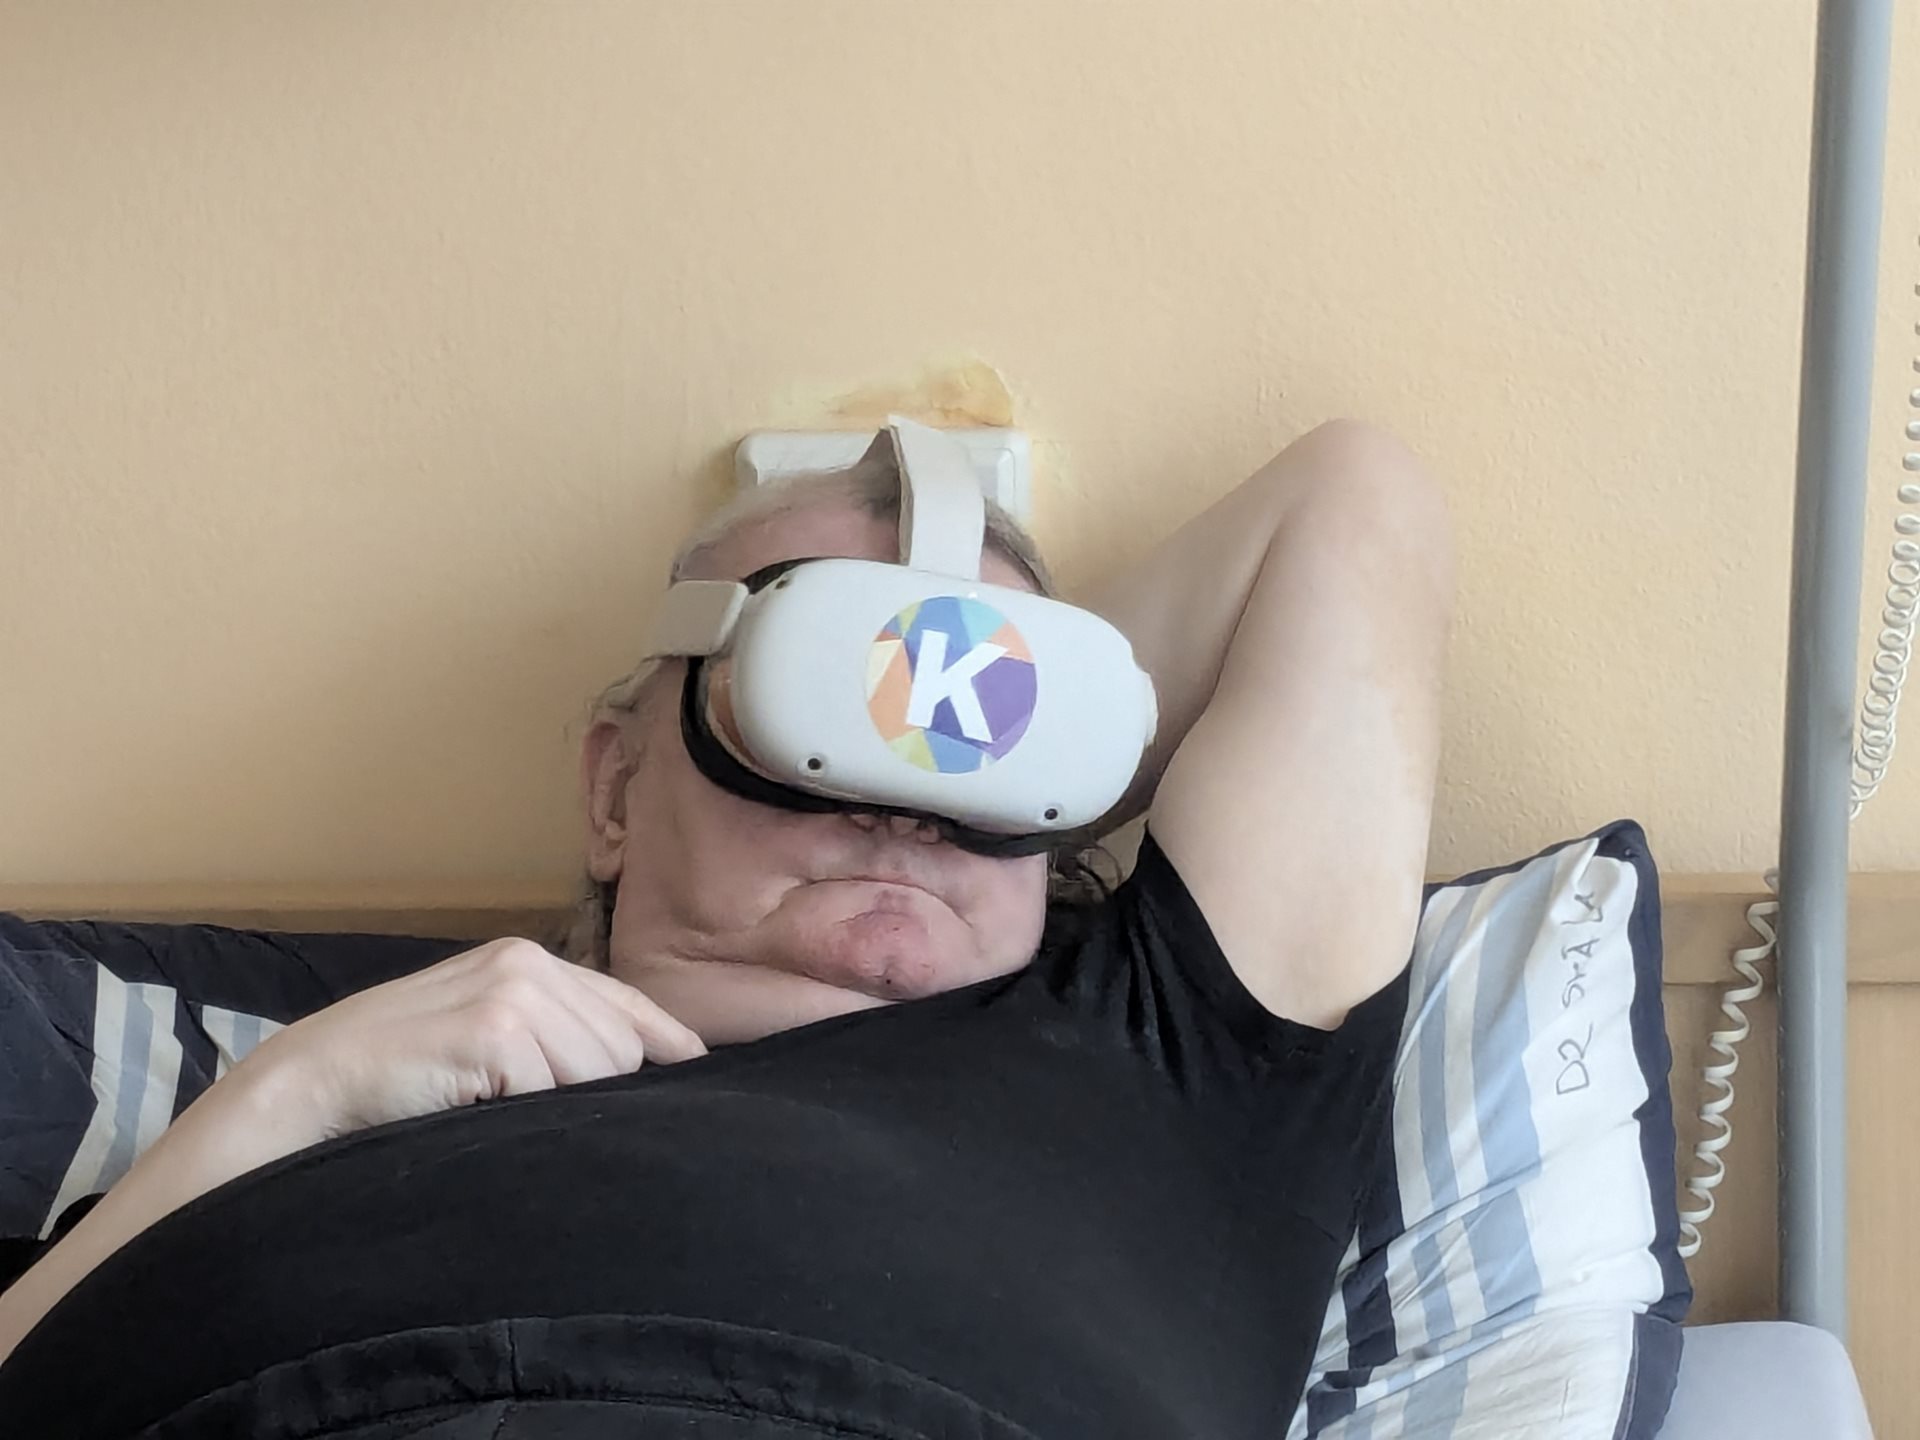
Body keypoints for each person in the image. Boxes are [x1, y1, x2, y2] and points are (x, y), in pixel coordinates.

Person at [0, 417, 1455, 1437]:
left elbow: (1352, 504)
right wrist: (288, 1094)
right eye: (803, 703)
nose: (900, 803)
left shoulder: (1175, 1044)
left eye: (980, 730)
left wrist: (1002, 704)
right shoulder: (373, 1076)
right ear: (615, 791)